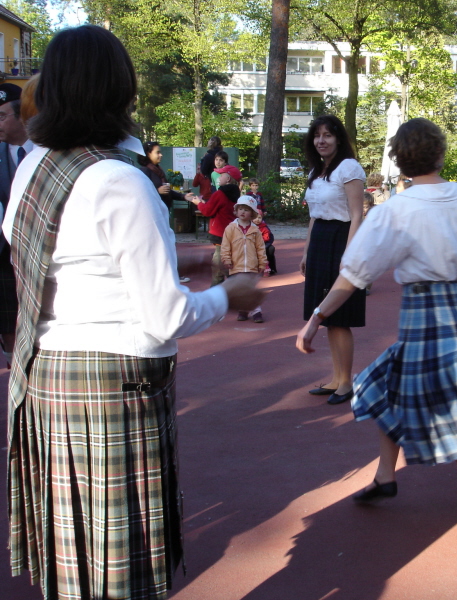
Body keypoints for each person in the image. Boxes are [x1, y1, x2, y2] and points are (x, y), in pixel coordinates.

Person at [3, 25, 264, 600]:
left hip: (47, 373)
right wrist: (230, 296)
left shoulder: (32, 168)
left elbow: (66, 262)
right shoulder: (120, 179)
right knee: (119, 569)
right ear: (119, 92)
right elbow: (165, 317)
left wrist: (170, 260)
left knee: (75, 560)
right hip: (113, 384)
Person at [296, 118, 457, 535]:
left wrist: (316, 318)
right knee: (388, 387)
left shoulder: (395, 210)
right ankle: (385, 476)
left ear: (400, 162)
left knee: (448, 411)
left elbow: (354, 274)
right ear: (440, 154)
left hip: (422, 313)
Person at [300, 114, 366, 406]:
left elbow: (357, 215)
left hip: (342, 239)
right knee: (326, 316)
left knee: (340, 316)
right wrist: (306, 251)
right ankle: (337, 378)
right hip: (320, 240)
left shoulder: (348, 168)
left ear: (339, 138)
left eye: (327, 135)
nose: (321, 140)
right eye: (317, 135)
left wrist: (349, 253)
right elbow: (314, 216)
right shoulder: (317, 171)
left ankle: (346, 382)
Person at [0, 82, 31, 366]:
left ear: (22, 116)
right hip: (3, 259)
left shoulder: (48, 152)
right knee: (9, 328)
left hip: (40, 258)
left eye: (2, 116)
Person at [222, 196, 267, 322]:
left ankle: (256, 311)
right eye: (240, 209)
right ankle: (242, 310)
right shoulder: (230, 228)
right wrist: (226, 259)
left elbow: (260, 248)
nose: (243, 212)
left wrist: (262, 263)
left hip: (252, 265)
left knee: (251, 289)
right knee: (240, 289)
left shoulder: (255, 230)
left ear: (252, 213)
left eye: (246, 210)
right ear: (236, 211)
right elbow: (225, 246)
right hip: (236, 264)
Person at [191, 171, 240, 285]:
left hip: (219, 232)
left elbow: (207, 211)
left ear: (228, 179)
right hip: (230, 231)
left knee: (219, 264)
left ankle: (235, 287)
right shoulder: (235, 193)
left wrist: (198, 203)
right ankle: (225, 287)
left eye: (221, 175)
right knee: (221, 262)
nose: (218, 178)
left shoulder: (220, 193)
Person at [138, 140, 196, 210]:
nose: (161, 155)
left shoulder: (158, 171)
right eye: (157, 152)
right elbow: (141, 193)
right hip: (153, 211)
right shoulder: (144, 171)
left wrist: (184, 196)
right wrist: (157, 191)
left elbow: (167, 191)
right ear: (148, 154)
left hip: (164, 210)